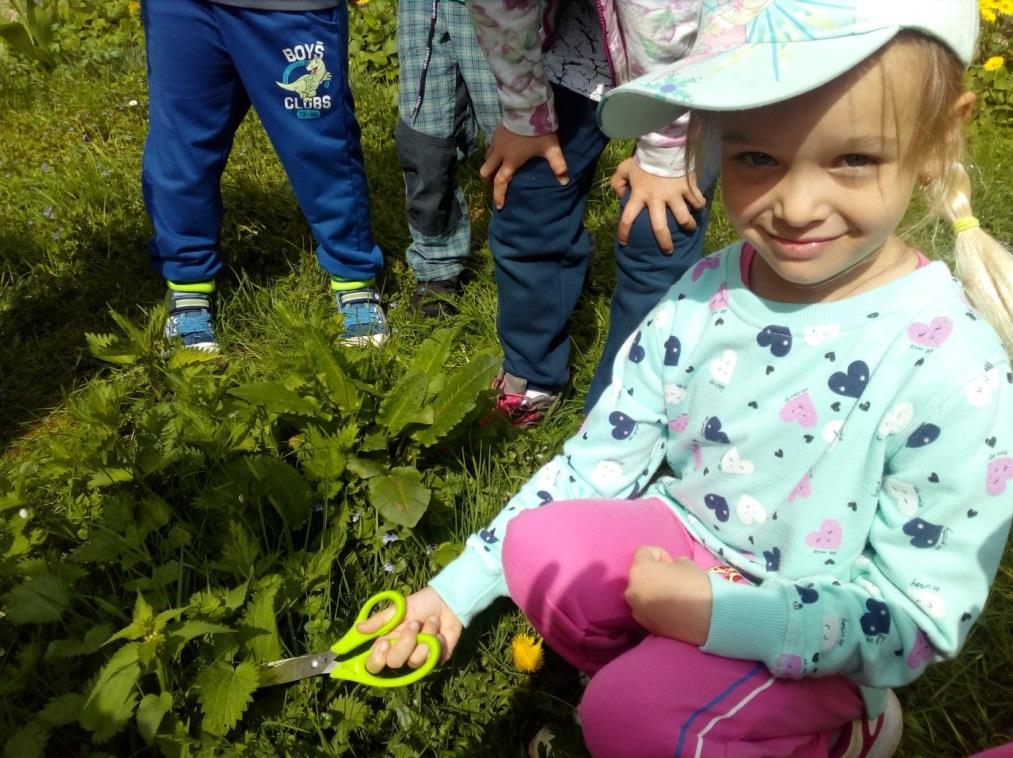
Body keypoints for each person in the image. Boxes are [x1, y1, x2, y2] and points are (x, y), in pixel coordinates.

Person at [360, 1, 1013, 755]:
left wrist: (720, 616)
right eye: (755, 158)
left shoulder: (952, 363)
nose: (796, 208)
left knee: (627, 718)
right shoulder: (708, 289)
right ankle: (661, 689)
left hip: (822, 622)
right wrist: (453, 590)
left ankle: (837, 729)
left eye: (852, 159)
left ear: (937, 139)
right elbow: (600, 456)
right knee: (541, 549)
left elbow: (916, 615)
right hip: (689, 545)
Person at [470, 0, 712, 426]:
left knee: (658, 228)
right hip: (583, 40)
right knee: (530, 192)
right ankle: (532, 371)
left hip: (692, 52)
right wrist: (526, 114)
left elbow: (666, 15)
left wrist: (667, 151)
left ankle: (624, 408)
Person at [141, 0, 388, 350]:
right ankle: (188, 288)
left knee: (320, 148)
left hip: (288, 9)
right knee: (180, 149)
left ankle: (353, 281)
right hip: (182, 10)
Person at [396, 0, 501, 317]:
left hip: (503, 10)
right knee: (424, 144)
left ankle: (546, 260)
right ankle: (436, 270)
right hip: (423, 7)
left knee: (517, 133)